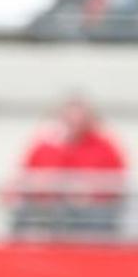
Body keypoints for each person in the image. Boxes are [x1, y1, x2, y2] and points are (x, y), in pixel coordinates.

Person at [14, 95, 127, 235]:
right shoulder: (46, 145)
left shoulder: (105, 146)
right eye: (70, 119)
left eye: (80, 119)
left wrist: (88, 191)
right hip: (50, 210)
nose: (75, 124)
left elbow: (118, 182)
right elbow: (27, 177)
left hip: (91, 211)